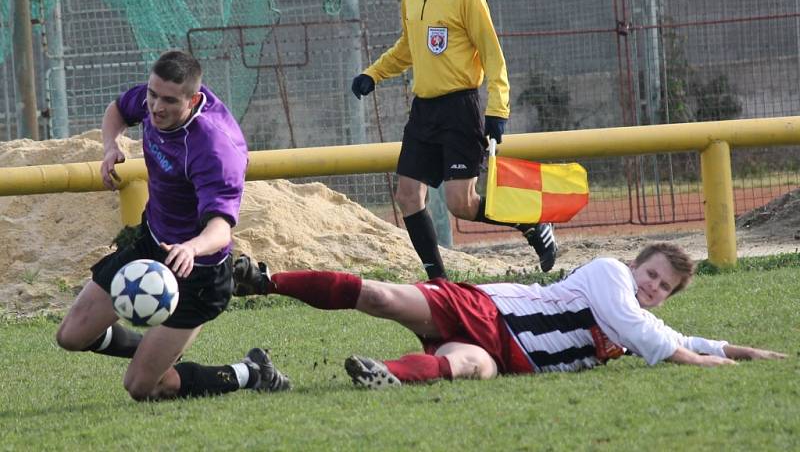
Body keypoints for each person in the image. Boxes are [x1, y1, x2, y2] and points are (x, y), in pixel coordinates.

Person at [55, 50, 290, 400]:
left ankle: (251, 373)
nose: (155, 107)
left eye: (167, 101)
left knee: (142, 387)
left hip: (199, 272)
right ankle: (155, 352)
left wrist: (190, 247)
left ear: (193, 99)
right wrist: (110, 145)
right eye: (152, 95)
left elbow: (220, 228)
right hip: (151, 242)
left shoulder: (214, 148)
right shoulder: (155, 99)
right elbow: (118, 110)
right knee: (71, 336)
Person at [231, 242, 786, 389]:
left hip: (509, 357)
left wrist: (740, 352)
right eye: (651, 274)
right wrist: (696, 363)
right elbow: (646, 334)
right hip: (489, 309)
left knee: (469, 367)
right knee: (381, 296)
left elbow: (679, 337)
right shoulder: (609, 276)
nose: (651, 287)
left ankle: (384, 373)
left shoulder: (648, 321)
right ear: (635, 265)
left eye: (662, 287)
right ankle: (263, 280)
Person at [350, 0, 557, 279]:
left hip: (460, 109)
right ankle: (438, 281)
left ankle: (531, 223)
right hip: (424, 110)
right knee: (408, 196)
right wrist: (373, 73)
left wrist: (498, 108)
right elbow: (408, 47)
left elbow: (492, 54)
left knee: (461, 204)